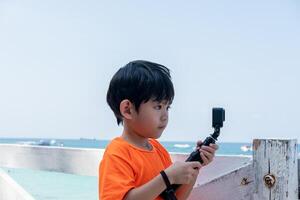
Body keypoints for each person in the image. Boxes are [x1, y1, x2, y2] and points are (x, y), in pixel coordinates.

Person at [99, 60, 218, 200]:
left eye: (167, 107)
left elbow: (174, 197)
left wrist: (194, 167)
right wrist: (167, 178)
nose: (165, 116)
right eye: (158, 107)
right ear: (128, 109)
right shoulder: (117, 153)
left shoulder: (158, 150)